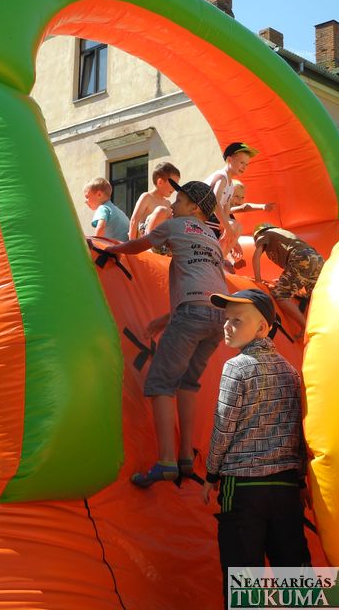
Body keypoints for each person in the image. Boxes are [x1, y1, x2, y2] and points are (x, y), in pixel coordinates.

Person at [107, 179, 227, 487]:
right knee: (188, 383)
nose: (173, 204)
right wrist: (166, 318)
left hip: (192, 314)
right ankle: (186, 457)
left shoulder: (175, 226)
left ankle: (166, 461)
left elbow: (137, 245)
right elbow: (205, 282)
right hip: (219, 317)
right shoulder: (212, 239)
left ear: (194, 208)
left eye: (179, 200)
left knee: (160, 383)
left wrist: (113, 249)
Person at [203, 289, 311, 604]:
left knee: (243, 579)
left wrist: (211, 473)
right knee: (295, 575)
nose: (227, 326)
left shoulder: (236, 367)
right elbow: (298, 428)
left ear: (262, 328)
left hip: (243, 487)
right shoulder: (290, 371)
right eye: (227, 319)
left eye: (237, 320)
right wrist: (300, 479)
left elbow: (224, 426)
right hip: (285, 488)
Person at [252, 223, 324, 336]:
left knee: (280, 295)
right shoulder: (284, 235)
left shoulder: (265, 234)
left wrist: (258, 280)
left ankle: (305, 327)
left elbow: (256, 257)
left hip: (301, 258)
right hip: (316, 258)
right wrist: (284, 280)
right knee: (315, 296)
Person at [204, 142, 262, 258]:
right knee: (234, 226)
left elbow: (226, 212)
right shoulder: (221, 177)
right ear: (229, 160)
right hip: (199, 217)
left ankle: (218, 258)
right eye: (242, 163)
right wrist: (228, 228)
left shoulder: (230, 185)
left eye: (246, 164)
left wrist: (233, 240)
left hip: (208, 218)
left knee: (234, 226)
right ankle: (215, 260)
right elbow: (214, 202)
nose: (244, 167)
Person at [128, 161, 181, 239]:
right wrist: (131, 243)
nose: (174, 189)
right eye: (173, 184)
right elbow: (134, 220)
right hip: (145, 239)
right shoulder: (147, 197)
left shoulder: (168, 203)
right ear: (160, 182)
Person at [83, 177, 130, 242]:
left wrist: (95, 243)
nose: (85, 201)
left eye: (87, 197)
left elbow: (100, 227)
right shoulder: (118, 211)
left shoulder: (102, 208)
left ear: (99, 194)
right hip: (125, 245)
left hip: (114, 246)